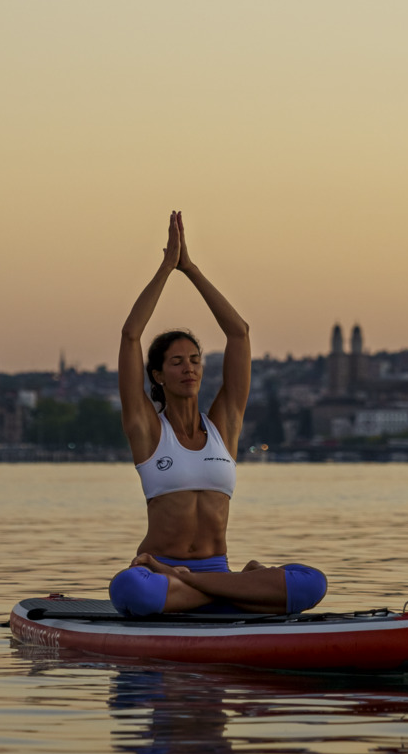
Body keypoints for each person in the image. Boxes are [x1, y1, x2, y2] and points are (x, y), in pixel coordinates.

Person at [107, 212, 327, 617]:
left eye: (194, 360)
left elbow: (239, 334)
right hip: (159, 572)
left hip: (207, 571)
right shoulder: (147, 429)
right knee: (128, 589)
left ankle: (205, 588)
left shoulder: (223, 425)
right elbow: (130, 336)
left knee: (313, 581)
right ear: (157, 374)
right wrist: (166, 268)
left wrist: (190, 268)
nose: (188, 368)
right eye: (176, 362)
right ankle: (239, 592)